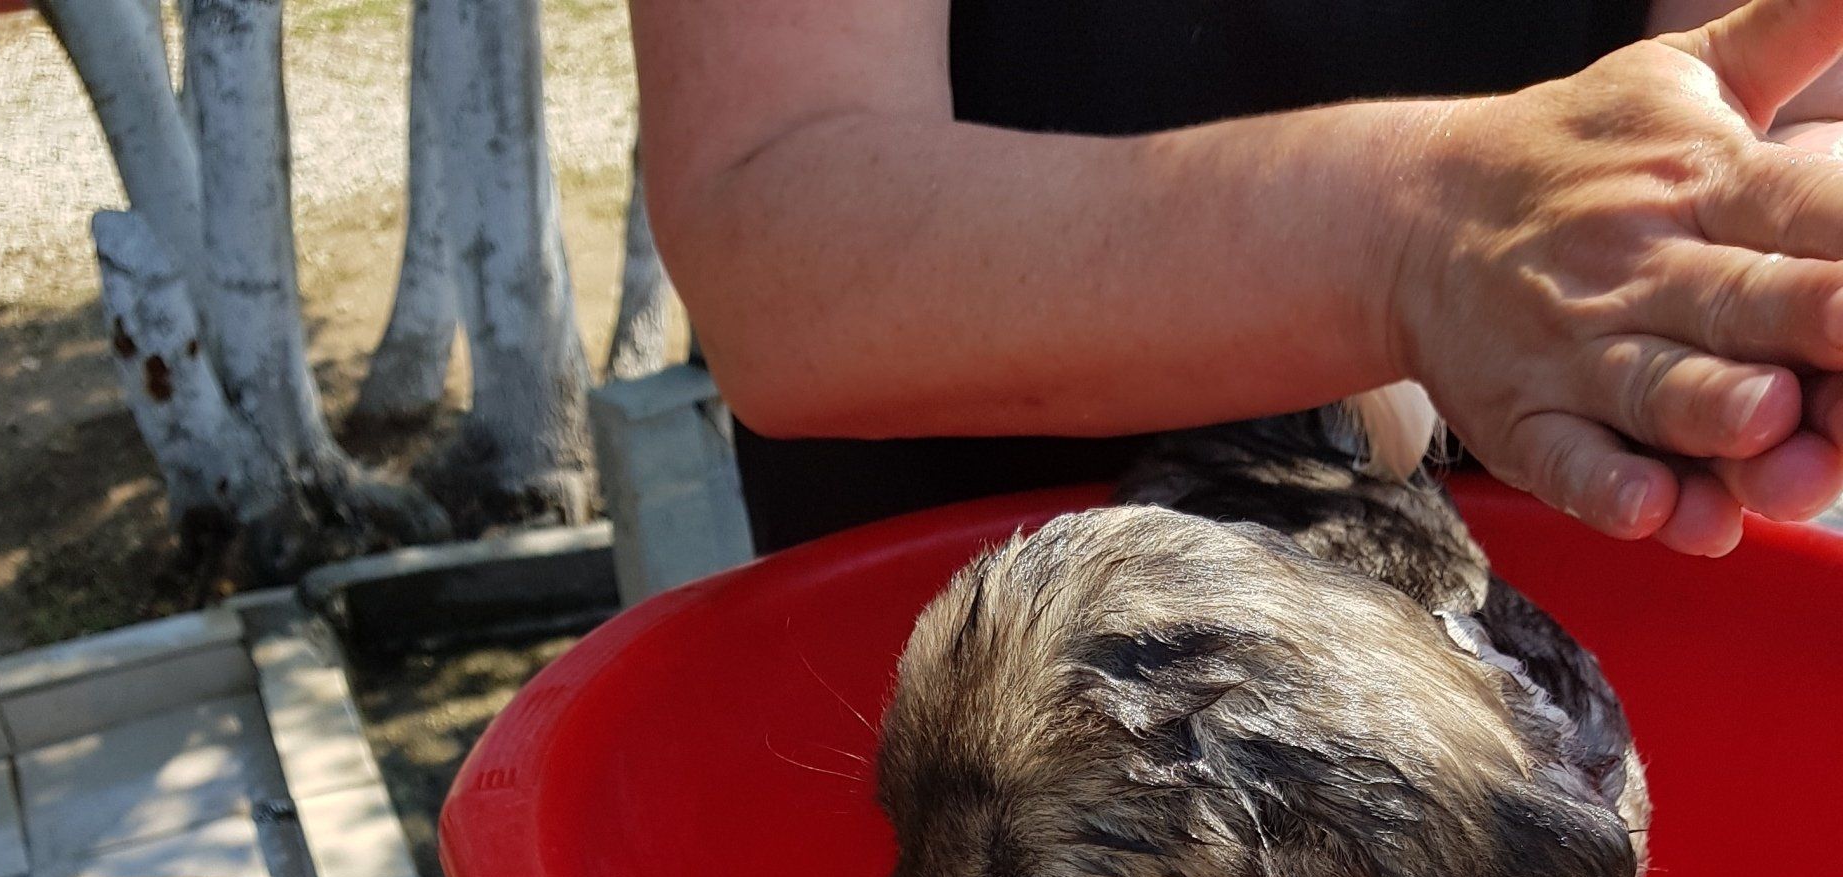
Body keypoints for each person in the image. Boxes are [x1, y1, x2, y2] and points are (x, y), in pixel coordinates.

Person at [631, 0, 1843, 557]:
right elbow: (771, 228)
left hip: (1567, 736)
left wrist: (1780, 259)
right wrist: (1413, 240)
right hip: (992, 794)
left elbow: (1780, 98)